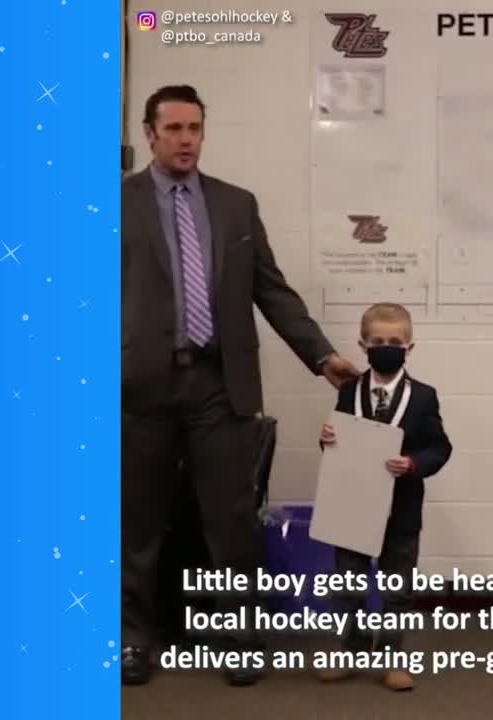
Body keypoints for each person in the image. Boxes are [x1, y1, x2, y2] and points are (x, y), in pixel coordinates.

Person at [121, 84, 360, 687]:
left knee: (230, 521)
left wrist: (321, 355)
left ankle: (241, 640)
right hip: (137, 388)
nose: (184, 139)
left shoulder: (235, 205)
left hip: (217, 385)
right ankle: (130, 640)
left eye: (194, 128)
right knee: (135, 522)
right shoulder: (112, 205)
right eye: (172, 128)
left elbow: (271, 290)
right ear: (149, 133)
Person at [316, 302, 453, 691]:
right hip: (351, 507)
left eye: (394, 341)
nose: (386, 347)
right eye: (378, 341)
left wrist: (412, 464)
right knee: (347, 586)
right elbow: (337, 442)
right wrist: (326, 439)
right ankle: (350, 648)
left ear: (410, 347)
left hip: (401, 510)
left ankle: (392, 657)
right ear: (363, 345)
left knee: (398, 589)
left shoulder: (424, 397)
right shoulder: (349, 392)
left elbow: (440, 448)